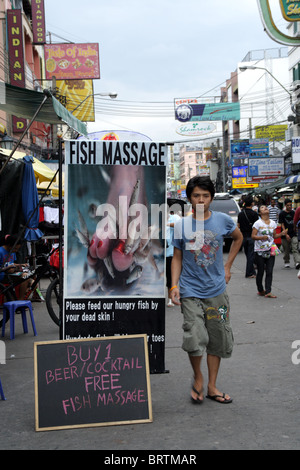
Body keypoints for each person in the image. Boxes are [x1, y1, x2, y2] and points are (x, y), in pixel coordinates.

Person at [170, 176, 243, 405]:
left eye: (205, 195)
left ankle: (212, 386)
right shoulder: (182, 225)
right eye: (196, 195)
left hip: (217, 290)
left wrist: (228, 266)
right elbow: (177, 256)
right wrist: (174, 285)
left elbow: (238, 238)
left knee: (217, 336)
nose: (201, 199)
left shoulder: (222, 220)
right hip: (190, 289)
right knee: (195, 336)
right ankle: (199, 377)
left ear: (211, 197)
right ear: (189, 198)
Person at [252, 205, 287, 298]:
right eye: (262, 208)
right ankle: (260, 290)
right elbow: (253, 236)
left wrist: (282, 234)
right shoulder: (257, 223)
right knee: (260, 272)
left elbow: (274, 236)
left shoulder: (273, 223)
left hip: (270, 250)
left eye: (265, 207)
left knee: (269, 271)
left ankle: (268, 291)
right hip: (259, 250)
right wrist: (261, 237)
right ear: (260, 212)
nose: (265, 208)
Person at [0, 234, 32, 299]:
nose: (16, 251)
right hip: (3, 275)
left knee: (32, 281)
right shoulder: (0, 251)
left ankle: (21, 298)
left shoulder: (12, 251)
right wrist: (7, 268)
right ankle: (20, 300)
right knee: (25, 278)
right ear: (9, 245)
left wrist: (21, 265)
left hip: (11, 274)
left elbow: (11, 263)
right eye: (15, 248)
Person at [237, 195, 258, 278]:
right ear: (252, 203)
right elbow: (257, 227)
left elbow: (238, 225)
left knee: (248, 255)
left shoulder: (241, 214)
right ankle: (249, 273)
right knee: (251, 256)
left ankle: (251, 271)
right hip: (252, 237)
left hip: (243, 237)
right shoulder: (254, 214)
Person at [278, 199, 300, 269]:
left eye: (290, 205)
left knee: (295, 248)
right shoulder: (282, 214)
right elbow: (282, 224)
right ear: (285, 205)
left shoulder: (293, 213)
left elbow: (295, 221)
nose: (290, 206)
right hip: (285, 234)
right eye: (288, 205)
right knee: (286, 249)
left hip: (293, 233)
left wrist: (295, 230)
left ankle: (297, 262)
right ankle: (286, 261)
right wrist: (285, 234)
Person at [166, 209, 181, 307]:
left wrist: (168, 224)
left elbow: (180, 225)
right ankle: (170, 296)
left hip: (172, 253)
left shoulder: (174, 217)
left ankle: (171, 298)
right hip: (163, 253)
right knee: (167, 276)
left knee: (171, 277)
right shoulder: (157, 219)